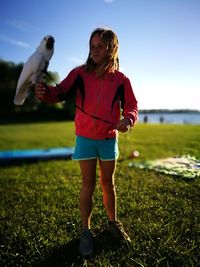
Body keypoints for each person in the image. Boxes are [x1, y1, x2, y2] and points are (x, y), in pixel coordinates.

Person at [35, 27, 138, 257]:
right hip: (85, 139)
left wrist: (128, 119)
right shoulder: (79, 73)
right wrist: (44, 93)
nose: (94, 50)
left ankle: (112, 224)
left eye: (100, 46)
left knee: (107, 183)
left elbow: (132, 105)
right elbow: (58, 93)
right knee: (88, 184)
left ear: (111, 49)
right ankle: (86, 231)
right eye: (92, 46)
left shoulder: (121, 80)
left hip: (108, 139)